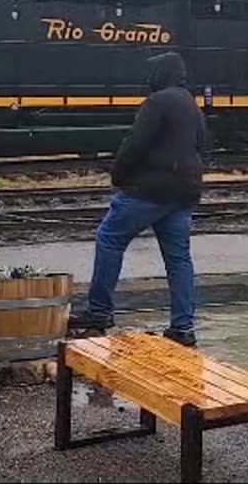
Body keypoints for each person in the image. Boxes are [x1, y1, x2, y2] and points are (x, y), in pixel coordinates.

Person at [67, 52, 206, 347]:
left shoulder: (157, 102)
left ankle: (99, 312)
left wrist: (118, 175)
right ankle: (183, 327)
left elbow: (135, 143)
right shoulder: (191, 104)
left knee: (109, 238)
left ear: (161, 74)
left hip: (150, 191)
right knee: (179, 258)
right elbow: (203, 146)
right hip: (183, 193)